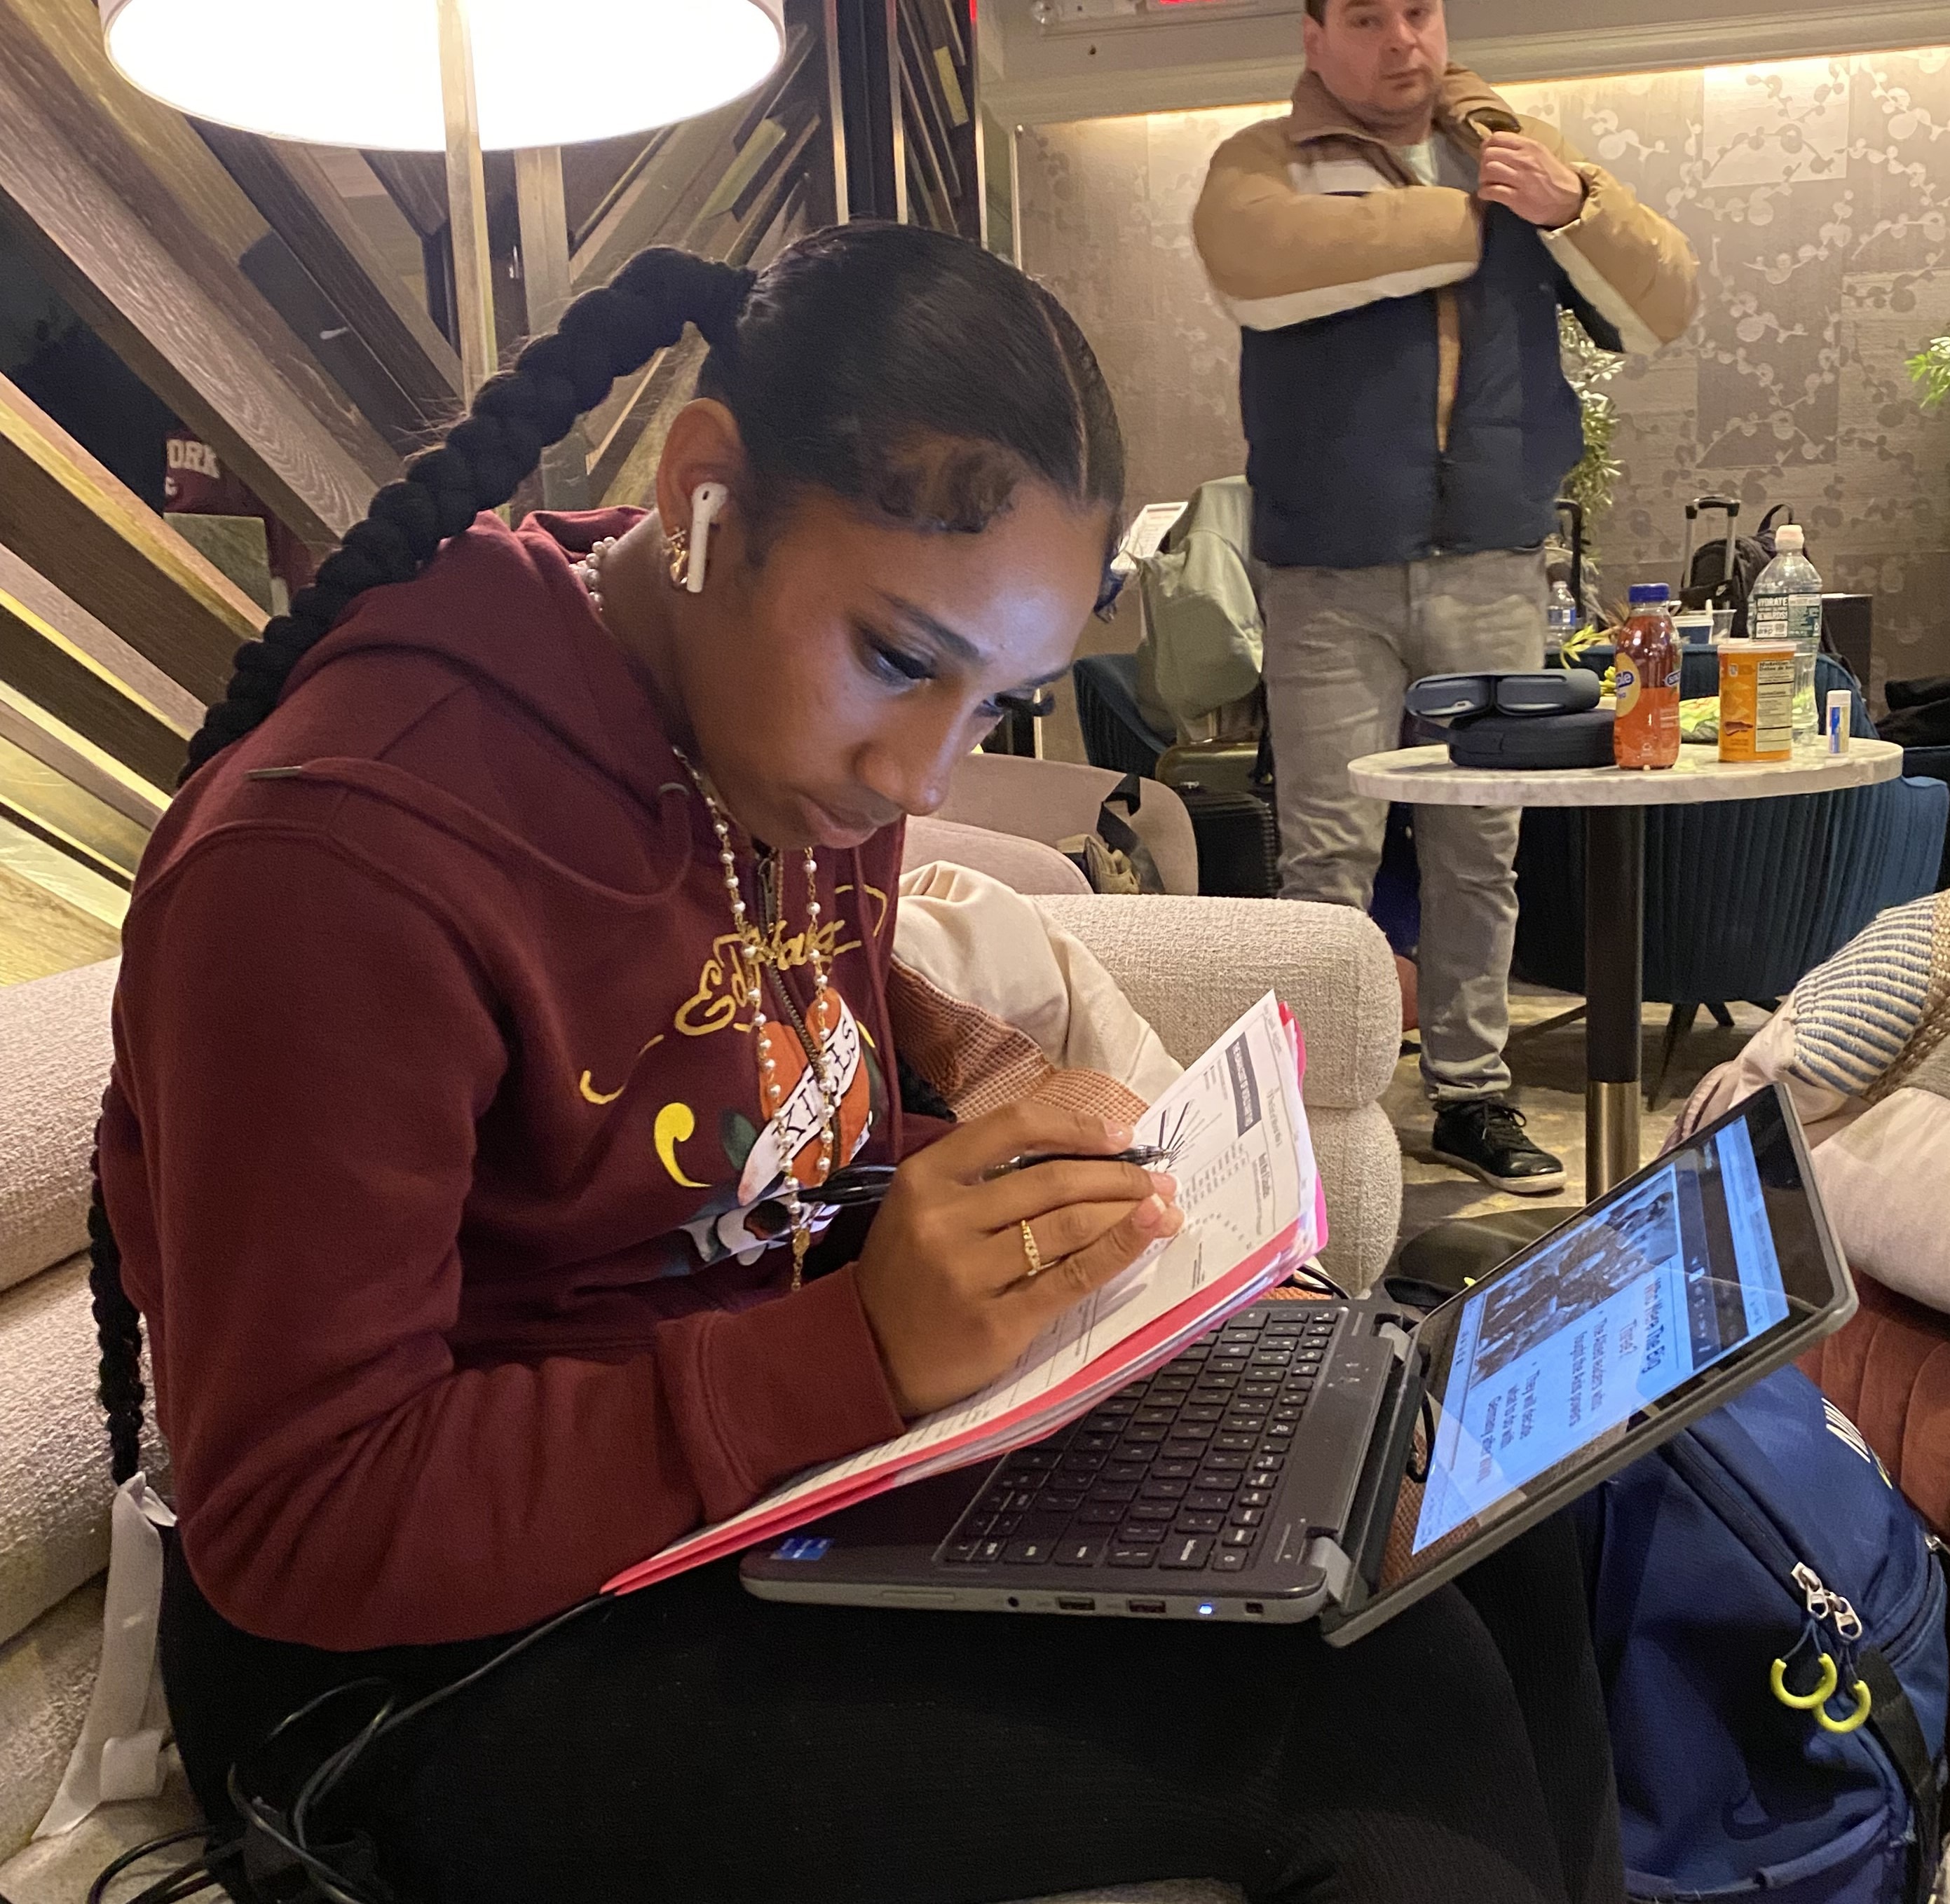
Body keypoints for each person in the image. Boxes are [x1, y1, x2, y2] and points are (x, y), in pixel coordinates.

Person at [89, 227, 1623, 1904]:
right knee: (1385, 1713)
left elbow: (736, 974)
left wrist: (980, 1060)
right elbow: (297, 1512)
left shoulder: (743, 728)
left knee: (1470, 1504)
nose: (917, 777)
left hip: (763, 1489)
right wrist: (860, 1357)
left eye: (996, 701)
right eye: (898, 660)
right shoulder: (333, 867)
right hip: (421, 1668)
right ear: (705, 496)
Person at [1193, 0, 1698, 1194]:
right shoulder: (1265, 164)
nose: (1401, 40)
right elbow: (1253, 263)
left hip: (1490, 555)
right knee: (1328, 850)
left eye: (1418, 10)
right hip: (1324, 569)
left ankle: (1472, 1094)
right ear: (1316, 39)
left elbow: (1664, 301)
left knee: (1482, 845)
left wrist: (1572, 205)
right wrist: (1477, 210)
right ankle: (1328, 1099)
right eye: (1365, 18)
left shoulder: (1523, 153)